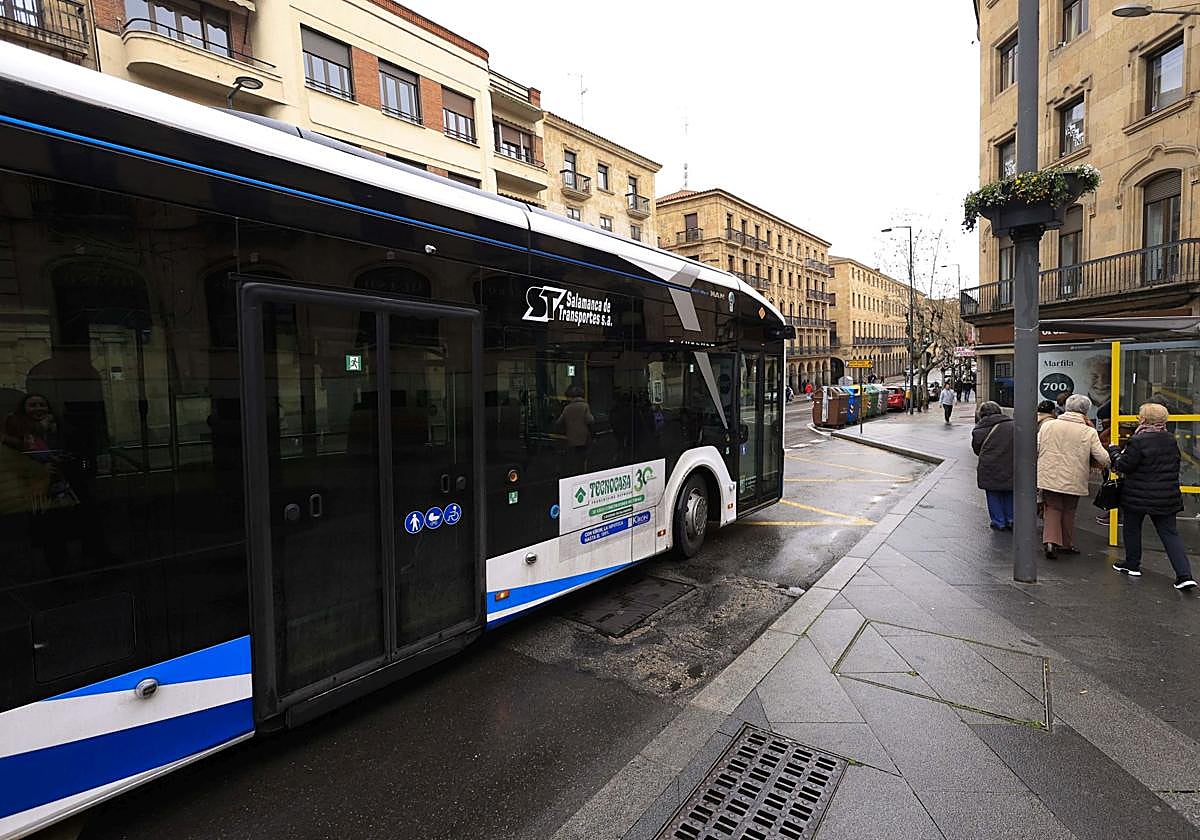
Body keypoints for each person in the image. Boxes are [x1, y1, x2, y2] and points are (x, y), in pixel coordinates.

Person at [1109, 403, 1197, 590]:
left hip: (1137, 495)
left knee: (1132, 529)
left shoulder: (1138, 441)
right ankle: (1184, 575)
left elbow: (1125, 466)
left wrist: (1115, 452)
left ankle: (1132, 565)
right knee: (1170, 534)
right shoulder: (1170, 439)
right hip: (1166, 495)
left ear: (1143, 419)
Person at [1037, 394, 1109, 558]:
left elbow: (1036, 447)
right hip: (1074, 477)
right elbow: (1101, 456)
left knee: (1052, 507)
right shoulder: (1088, 431)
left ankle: (1050, 541)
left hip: (1049, 475)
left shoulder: (1049, 426)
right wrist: (1114, 463)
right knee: (1069, 510)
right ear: (1085, 411)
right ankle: (1066, 544)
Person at [972, 401, 1014, 530]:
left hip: (989, 466)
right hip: (1009, 463)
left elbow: (977, 449)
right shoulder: (1012, 425)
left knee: (993, 493)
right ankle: (1011, 518)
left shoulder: (978, 430)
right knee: (1009, 492)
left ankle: (998, 521)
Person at [556, 385, 594, 470]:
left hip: (571, 438)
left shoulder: (567, 408)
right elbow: (590, 420)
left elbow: (559, 422)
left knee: (574, 458)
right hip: (584, 438)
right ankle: (583, 471)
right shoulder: (585, 406)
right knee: (583, 457)